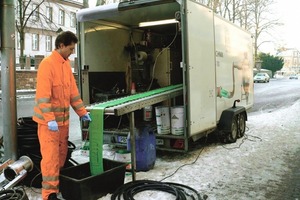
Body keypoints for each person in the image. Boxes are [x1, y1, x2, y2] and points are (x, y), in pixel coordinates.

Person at [32, 31, 91, 200]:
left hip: (62, 124)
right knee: (50, 160)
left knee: (61, 157)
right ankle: (49, 195)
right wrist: (50, 120)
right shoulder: (47, 64)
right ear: (61, 46)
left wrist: (83, 113)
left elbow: (73, 94)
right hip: (48, 124)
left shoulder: (66, 65)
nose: (72, 52)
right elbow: (43, 98)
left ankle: (57, 187)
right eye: (71, 48)